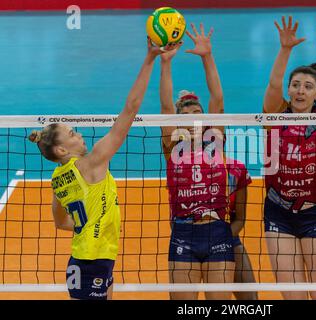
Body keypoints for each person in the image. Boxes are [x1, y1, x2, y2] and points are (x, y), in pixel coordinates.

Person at [28, 40, 168, 300]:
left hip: (88, 255)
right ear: (61, 150)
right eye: (72, 133)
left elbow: (60, 222)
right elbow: (131, 108)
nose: (79, 135)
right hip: (93, 259)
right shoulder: (92, 163)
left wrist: (87, 225)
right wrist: (150, 59)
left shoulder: (58, 178)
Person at [263, 16, 316, 300]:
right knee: (293, 296)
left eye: (308, 86)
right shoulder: (273, 118)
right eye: (295, 85)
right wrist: (284, 50)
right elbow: (273, 86)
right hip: (278, 212)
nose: (300, 90)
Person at [159, 23, 237, 300]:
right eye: (187, 112)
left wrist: (207, 56)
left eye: (198, 112)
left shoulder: (215, 139)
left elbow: (218, 99)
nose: (194, 116)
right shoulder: (172, 147)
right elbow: (167, 107)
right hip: (183, 231)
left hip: (217, 229)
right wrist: (165, 63)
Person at [227, 159, 258, 300]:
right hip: (190, 243)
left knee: (251, 299)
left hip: (226, 238)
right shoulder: (182, 168)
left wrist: (219, 242)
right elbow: (175, 221)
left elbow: (239, 220)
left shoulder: (235, 169)